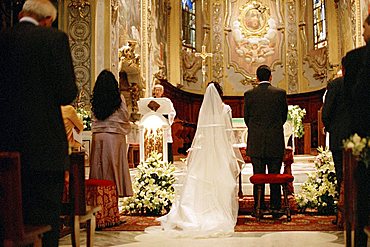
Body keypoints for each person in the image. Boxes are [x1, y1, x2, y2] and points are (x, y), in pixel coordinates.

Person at [0, 0, 77, 245]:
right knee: (47, 220)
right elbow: (67, 92)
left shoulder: (3, 38)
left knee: (8, 220)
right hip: (44, 148)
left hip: (5, 145)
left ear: (22, 14)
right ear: (48, 20)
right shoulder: (54, 39)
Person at [146, 83, 242, 237]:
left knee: (202, 178)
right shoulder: (226, 109)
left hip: (205, 149)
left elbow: (202, 131)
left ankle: (196, 211)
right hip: (220, 149)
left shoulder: (205, 110)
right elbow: (228, 131)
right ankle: (218, 209)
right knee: (220, 178)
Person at [243, 65, 288, 218]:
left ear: (256, 78)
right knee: (275, 174)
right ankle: (276, 208)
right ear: (270, 77)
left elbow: (246, 118)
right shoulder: (280, 93)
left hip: (256, 142)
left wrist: (257, 131)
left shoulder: (249, 94)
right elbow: (284, 117)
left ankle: (259, 207)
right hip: (275, 141)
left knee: (258, 175)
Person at [89, 70, 133, 197]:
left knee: (99, 166)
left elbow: (93, 116)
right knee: (114, 165)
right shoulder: (118, 98)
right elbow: (124, 115)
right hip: (114, 136)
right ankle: (115, 191)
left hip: (98, 136)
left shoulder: (96, 99)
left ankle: (98, 194)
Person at [322, 57, 351, 195]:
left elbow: (326, 112)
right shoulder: (363, 83)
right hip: (360, 136)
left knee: (341, 172)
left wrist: (330, 128)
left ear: (343, 68)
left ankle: (343, 208)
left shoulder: (335, 85)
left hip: (339, 135)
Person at [152, 83, 176, 163]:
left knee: (166, 143)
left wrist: (167, 115)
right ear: (154, 91)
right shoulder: (151, 101)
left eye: (159, 90)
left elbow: (172, 112)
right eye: (156, 90)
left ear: (162, 92)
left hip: (164, 123)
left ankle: (168, 161)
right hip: (154, 124)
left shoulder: (166, 101)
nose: (157, 92)